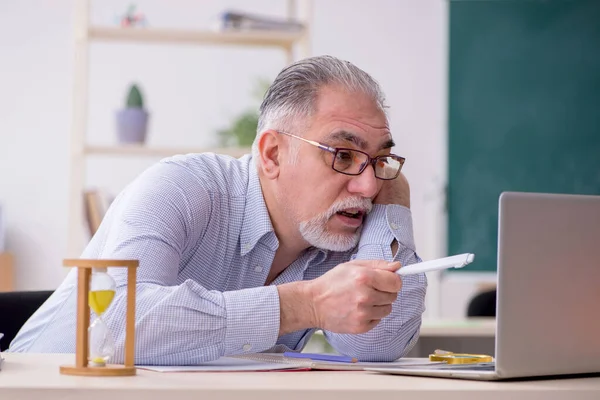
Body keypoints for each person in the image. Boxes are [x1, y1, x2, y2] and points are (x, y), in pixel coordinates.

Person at [10, 55, 427, 364]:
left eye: (379, 160)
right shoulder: (181, 186)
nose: (368, 183)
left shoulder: (343, 224)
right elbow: (118, 328)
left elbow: (378, 346)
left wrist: (394, 207)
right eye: (343, 154)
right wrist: (304, 304)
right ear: (272, 153)